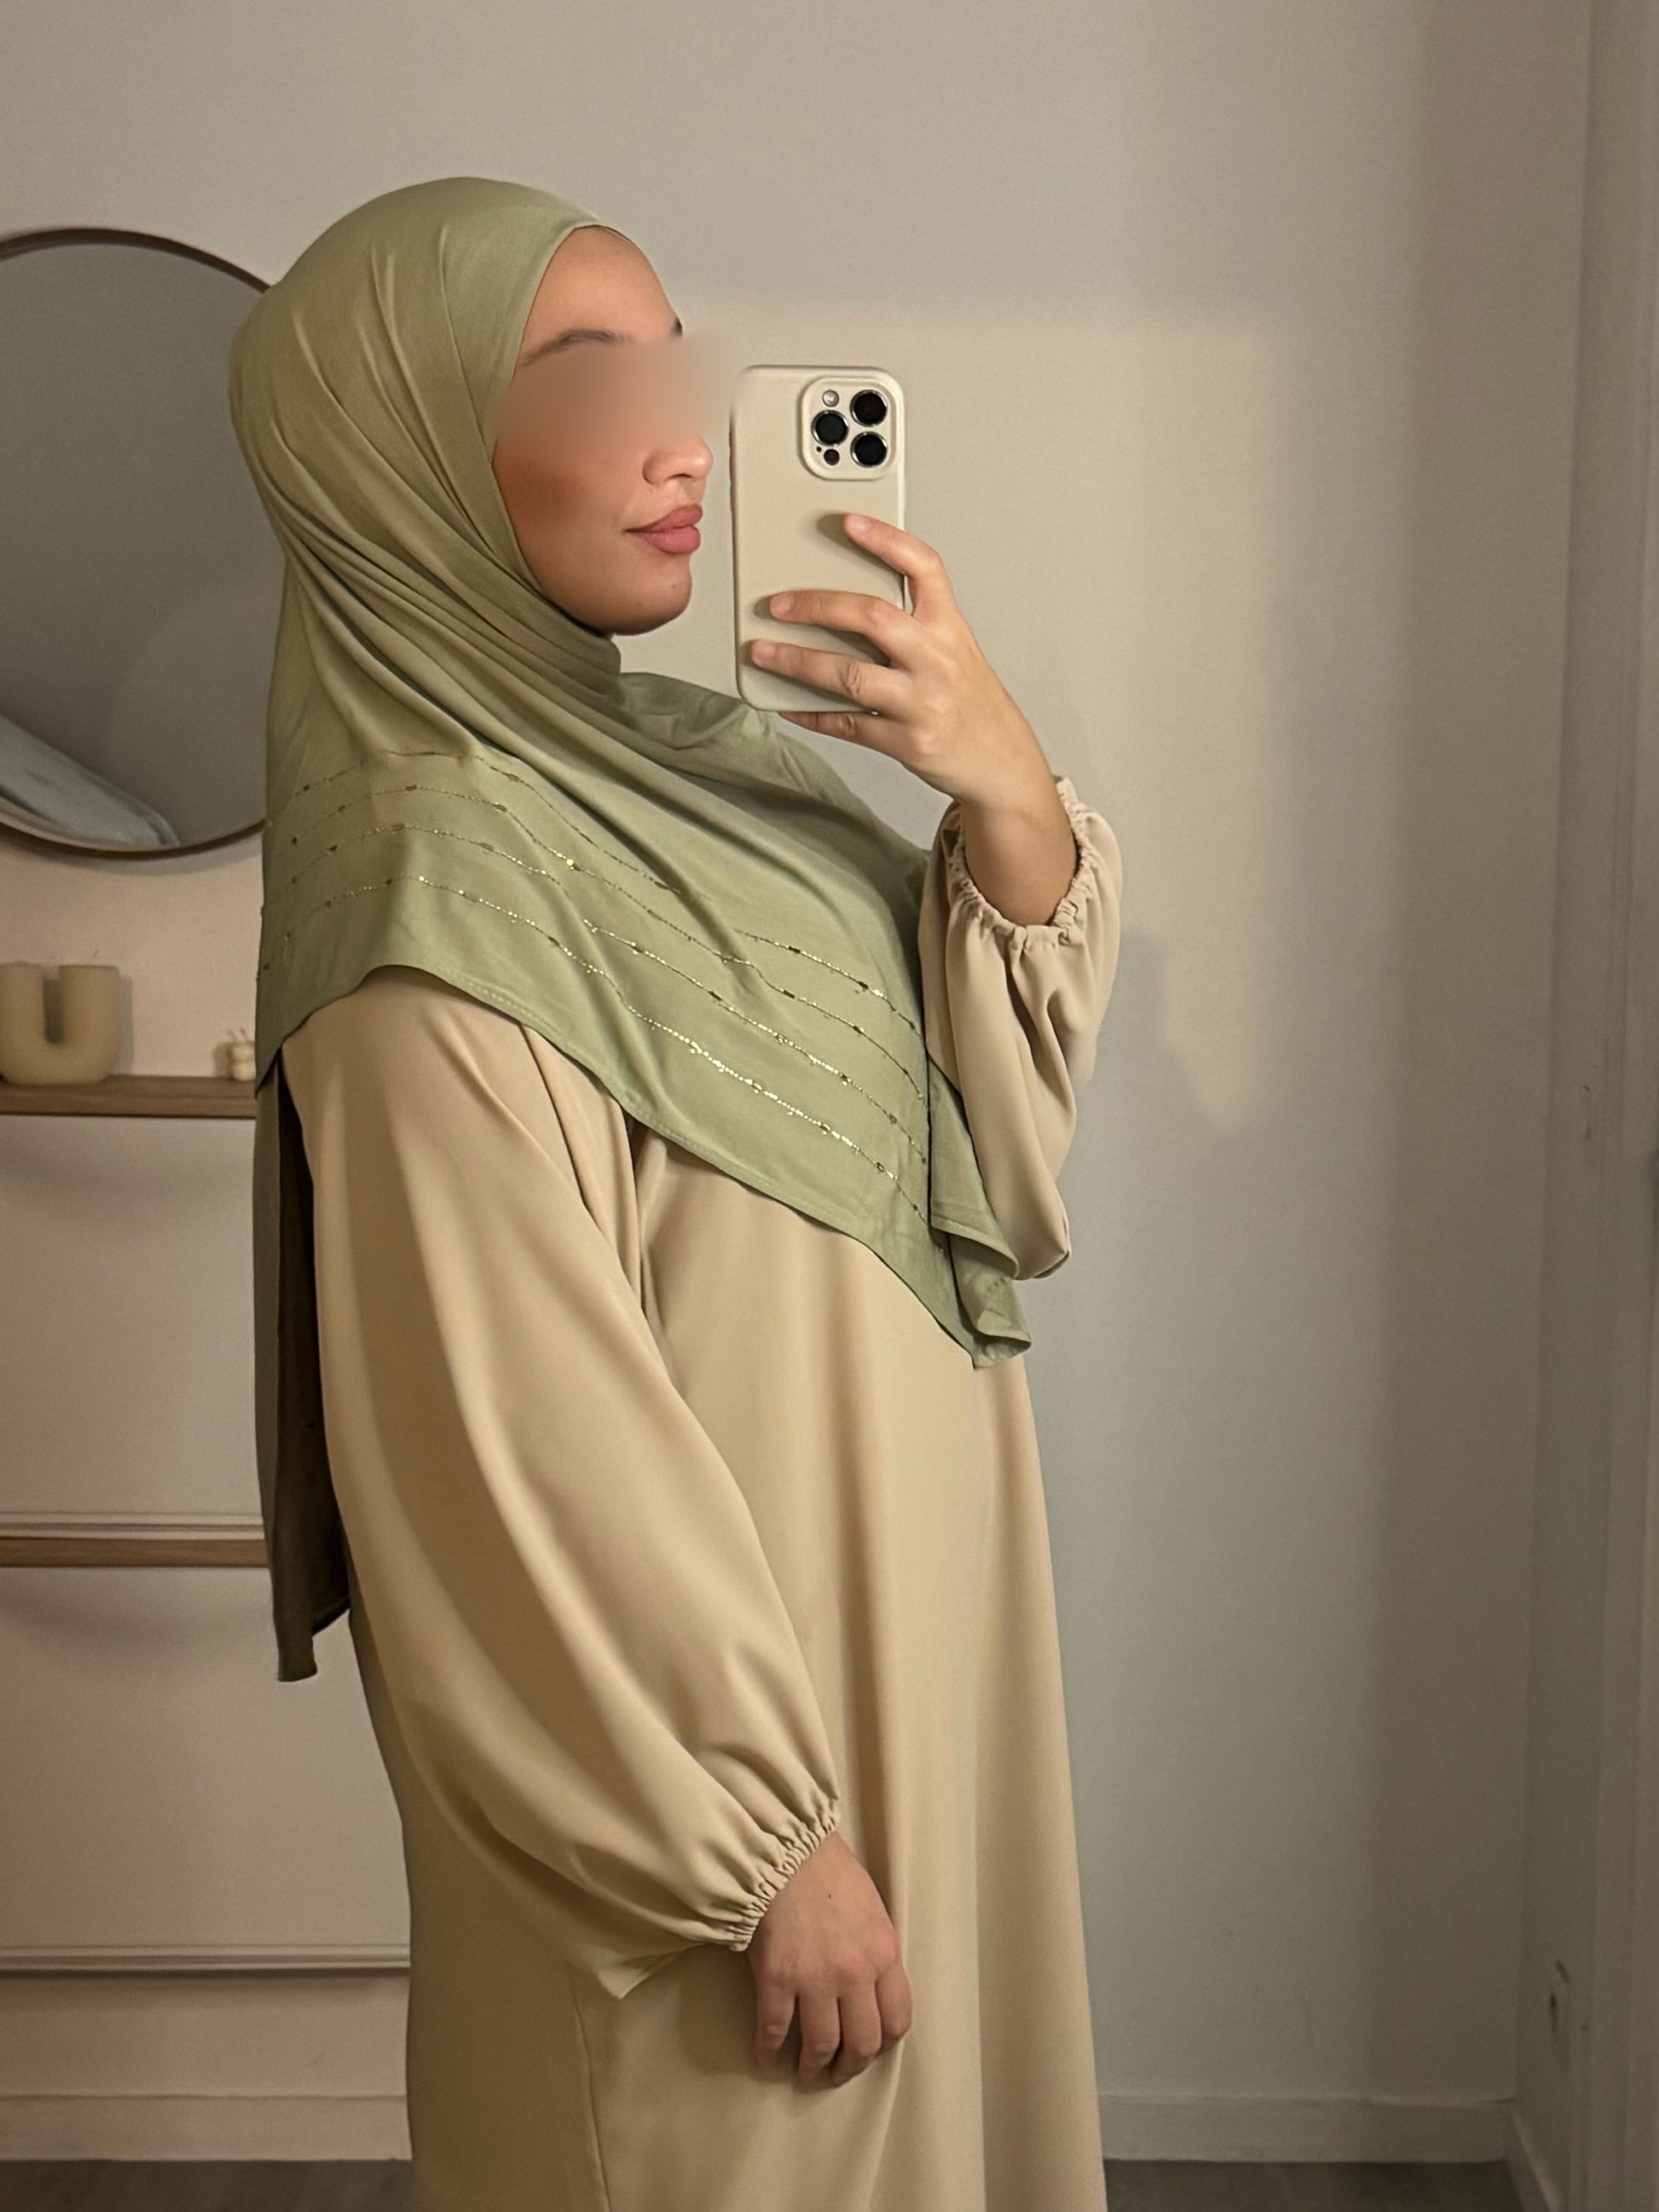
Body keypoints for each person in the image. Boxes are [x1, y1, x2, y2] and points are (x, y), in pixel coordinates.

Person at [228, 174, 1124, 2212]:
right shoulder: (430, 876)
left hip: (901, 1682)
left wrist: (997, 777)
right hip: (716, 1822)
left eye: (671, 361)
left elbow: (985, 1143)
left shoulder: (721, 769)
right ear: (395, 448)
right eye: (582, 373)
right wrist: (753, 1842)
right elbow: (502, 1435)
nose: (680, 433)